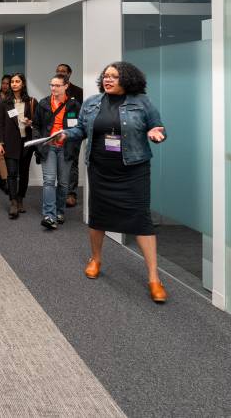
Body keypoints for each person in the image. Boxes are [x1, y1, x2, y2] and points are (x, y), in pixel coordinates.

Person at [52, 61, 168, 303]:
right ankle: (95, 259)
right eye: (106, 76)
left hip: (133, 170)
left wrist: (156, 134)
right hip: (100, 168)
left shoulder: (141, 102)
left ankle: (154, 278)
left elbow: (158, 127)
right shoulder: (92, 102)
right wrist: (65, 134)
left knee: (141, 219)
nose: (108, 80)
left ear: (127, 79)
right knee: (98, 216)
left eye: (114, 77)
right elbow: (81, 130)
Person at [33, 74, 82, 230]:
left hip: (66, 148)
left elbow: (80, 129)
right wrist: (40, 145)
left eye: (57, 85)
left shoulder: (74, 105)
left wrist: (74, 146)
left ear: (66, 86)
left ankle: (60, 212)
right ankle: (49, 214)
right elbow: (36, 126)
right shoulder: (44, 103)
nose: (53, 88)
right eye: (51, 85)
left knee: (63, 183)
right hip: (48, 147)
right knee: (49, 180)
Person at [0, 73, 37, 219]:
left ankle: (20, 199)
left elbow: (37, 122)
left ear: (23, 84)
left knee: (24, 173)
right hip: (10, 142)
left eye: (17, 81)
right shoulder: (4, 103)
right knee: (12, 173)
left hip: (27, 143)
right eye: (12, 81)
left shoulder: (31, 101)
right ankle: (12, 201)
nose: (14, 84)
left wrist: (31, 123)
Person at [57, 63, 84, 208]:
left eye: (63, 71)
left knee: (72, 162)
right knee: (58, 161)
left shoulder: (79, 92)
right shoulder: (55, 90)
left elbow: (83, 114)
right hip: (57, 133)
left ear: (70, 73)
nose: (61, 73)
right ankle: (61, 191)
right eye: (58, 71)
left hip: (74, 133)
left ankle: (71, 194)